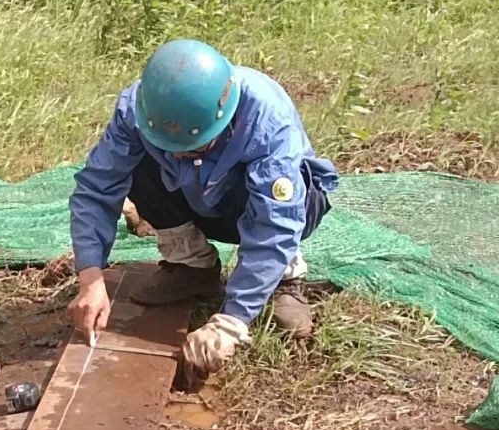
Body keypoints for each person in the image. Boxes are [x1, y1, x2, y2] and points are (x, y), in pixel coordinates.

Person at [68, 39, 338, 383]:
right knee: (134, 167)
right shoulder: (140, 110)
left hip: (271, 206)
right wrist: (90, 278)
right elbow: (97, 188)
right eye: (170, 147)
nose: (179, 155)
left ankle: (284, 279)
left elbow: (276, 223)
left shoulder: (267, 119)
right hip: (197, 199)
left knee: (280, 196)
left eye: (193, 146)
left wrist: (232, 321)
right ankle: (191, 267)